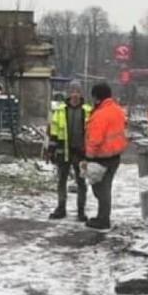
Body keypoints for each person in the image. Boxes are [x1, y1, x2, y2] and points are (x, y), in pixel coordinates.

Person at [82, 82, 127, 230]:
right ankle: (103, 216)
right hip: (115, 155)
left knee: (101, 189)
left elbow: (95, 139)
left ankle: (103, 219)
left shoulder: (100, 115)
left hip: (102, 157)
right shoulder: (117, 110)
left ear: (97, 97)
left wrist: (88, 157)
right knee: (105, 188)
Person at [47, 81, 92, 221]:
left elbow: (92, 132)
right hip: (63, 150)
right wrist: (51, 150)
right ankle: (61, 208)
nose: (74, 94)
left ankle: (81, 211)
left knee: (81, 182)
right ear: (68, 93)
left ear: (81, 93)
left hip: (81, 152)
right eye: (72, 91)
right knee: (61, 180)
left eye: (77, 91)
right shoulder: (60, 110)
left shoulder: (88, 110)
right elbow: (54, 131)